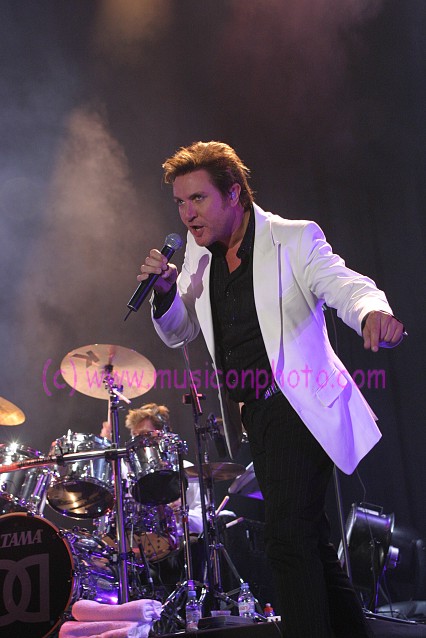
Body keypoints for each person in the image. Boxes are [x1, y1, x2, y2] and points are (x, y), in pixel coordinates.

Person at [136, 141, 405, 637]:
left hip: (300, 406)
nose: (187, 214)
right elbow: (180, 332)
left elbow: (343, 283)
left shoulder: (293, 238)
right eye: (180, 202)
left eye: (198, 198)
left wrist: (371, 311)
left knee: (287, 540)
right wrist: (166, 294)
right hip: (255, 415)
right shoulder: (197, 255)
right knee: (310, 542)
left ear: (234, 193)